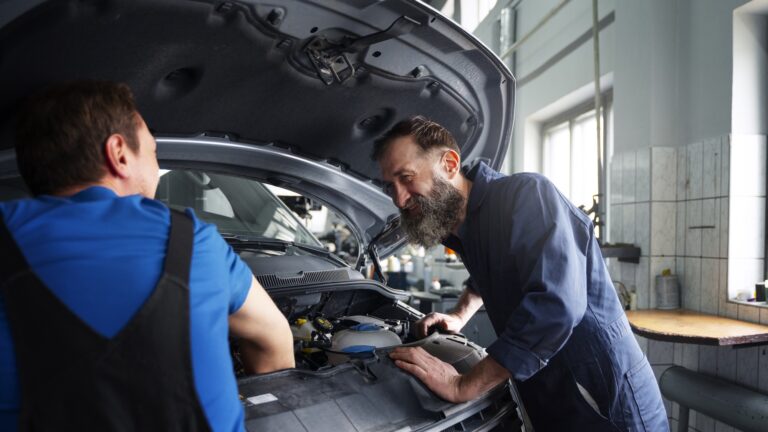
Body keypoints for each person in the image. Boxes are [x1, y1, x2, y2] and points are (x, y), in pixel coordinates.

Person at [0, 81, 294, 431]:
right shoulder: (193, 240)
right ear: (119, 154)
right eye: (153, 154)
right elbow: (272, 337)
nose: (156, 170)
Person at [374, 116, 668, 431]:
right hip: (546, 390)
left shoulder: (526, 196)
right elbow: (488, 274)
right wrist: (459, 316)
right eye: (390, 186)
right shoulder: (461, 225)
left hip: (601, 390)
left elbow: (557, 306)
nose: (399, 199)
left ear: (449, 163)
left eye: (406, 178)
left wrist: (464, 385)